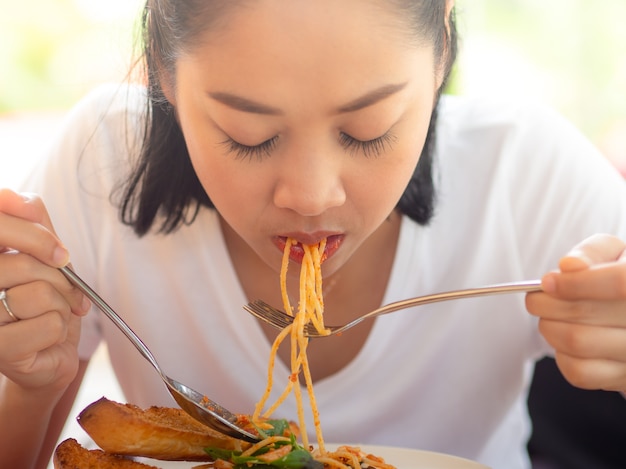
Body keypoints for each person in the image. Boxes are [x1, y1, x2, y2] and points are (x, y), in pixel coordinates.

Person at [1, 1, 625, 468]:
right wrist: (28, 385)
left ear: (439, 55)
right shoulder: (99, 166)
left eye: (367, 129)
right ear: (164, 77)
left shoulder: (525, 172)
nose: (310, 194)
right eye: (250, 135)